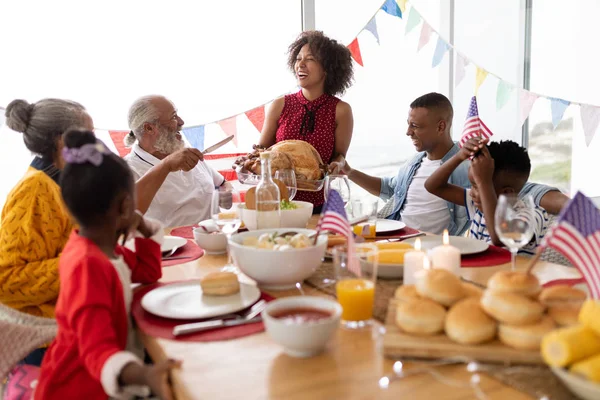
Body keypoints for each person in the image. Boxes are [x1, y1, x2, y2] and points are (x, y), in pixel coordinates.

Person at [35, 130, 180, 399]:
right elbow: (96, 351)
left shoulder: (102, 249)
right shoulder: (88, 266)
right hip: (79, 388)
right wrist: (146, 375)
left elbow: (148, 272)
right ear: (125, 206)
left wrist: (144, 228)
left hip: (106, 378)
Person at [340, 92, 568, 235]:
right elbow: (389, 188)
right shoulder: (414, 163)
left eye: (415, 126)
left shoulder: (468, 164)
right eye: (408, 124)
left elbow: (516, 188)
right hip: (396, 235)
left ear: (441, 127)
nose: (408, 132)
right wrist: (349, 172)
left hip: (431, 245)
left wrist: (565, 202)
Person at [0, 98, 93, 321]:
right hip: (47, 339)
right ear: (63, 142)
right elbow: (6, 281)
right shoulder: (35, 190)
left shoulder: (64, 182)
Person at [258, 30, 355, 212]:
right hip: (277, 202)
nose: (300, 64)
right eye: (298, 59)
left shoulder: (341, 110)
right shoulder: (280, 104)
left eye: (309, 59)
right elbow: (262, 151)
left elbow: (340, 156)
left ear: (327, 68)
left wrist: (338, 164)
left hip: (319, 205)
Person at [425, 138, 549, 254]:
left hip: (511, 275)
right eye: (472, 185)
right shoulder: (479, 205)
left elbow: (499, 237)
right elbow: (433, 186)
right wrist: (460, 156)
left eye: (477, 186)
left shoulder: (530, 215)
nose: (472, 192)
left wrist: (484, 182)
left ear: (506, 193)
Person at [124, 95, 230, 227]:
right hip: (173, 245)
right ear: (149, 128)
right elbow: (125, 214)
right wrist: (167, 165)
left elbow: (222, 184)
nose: (181, 122)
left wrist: (227, 194)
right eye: (173, 117)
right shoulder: (126, 170)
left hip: (216, 237)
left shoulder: (186, 152)